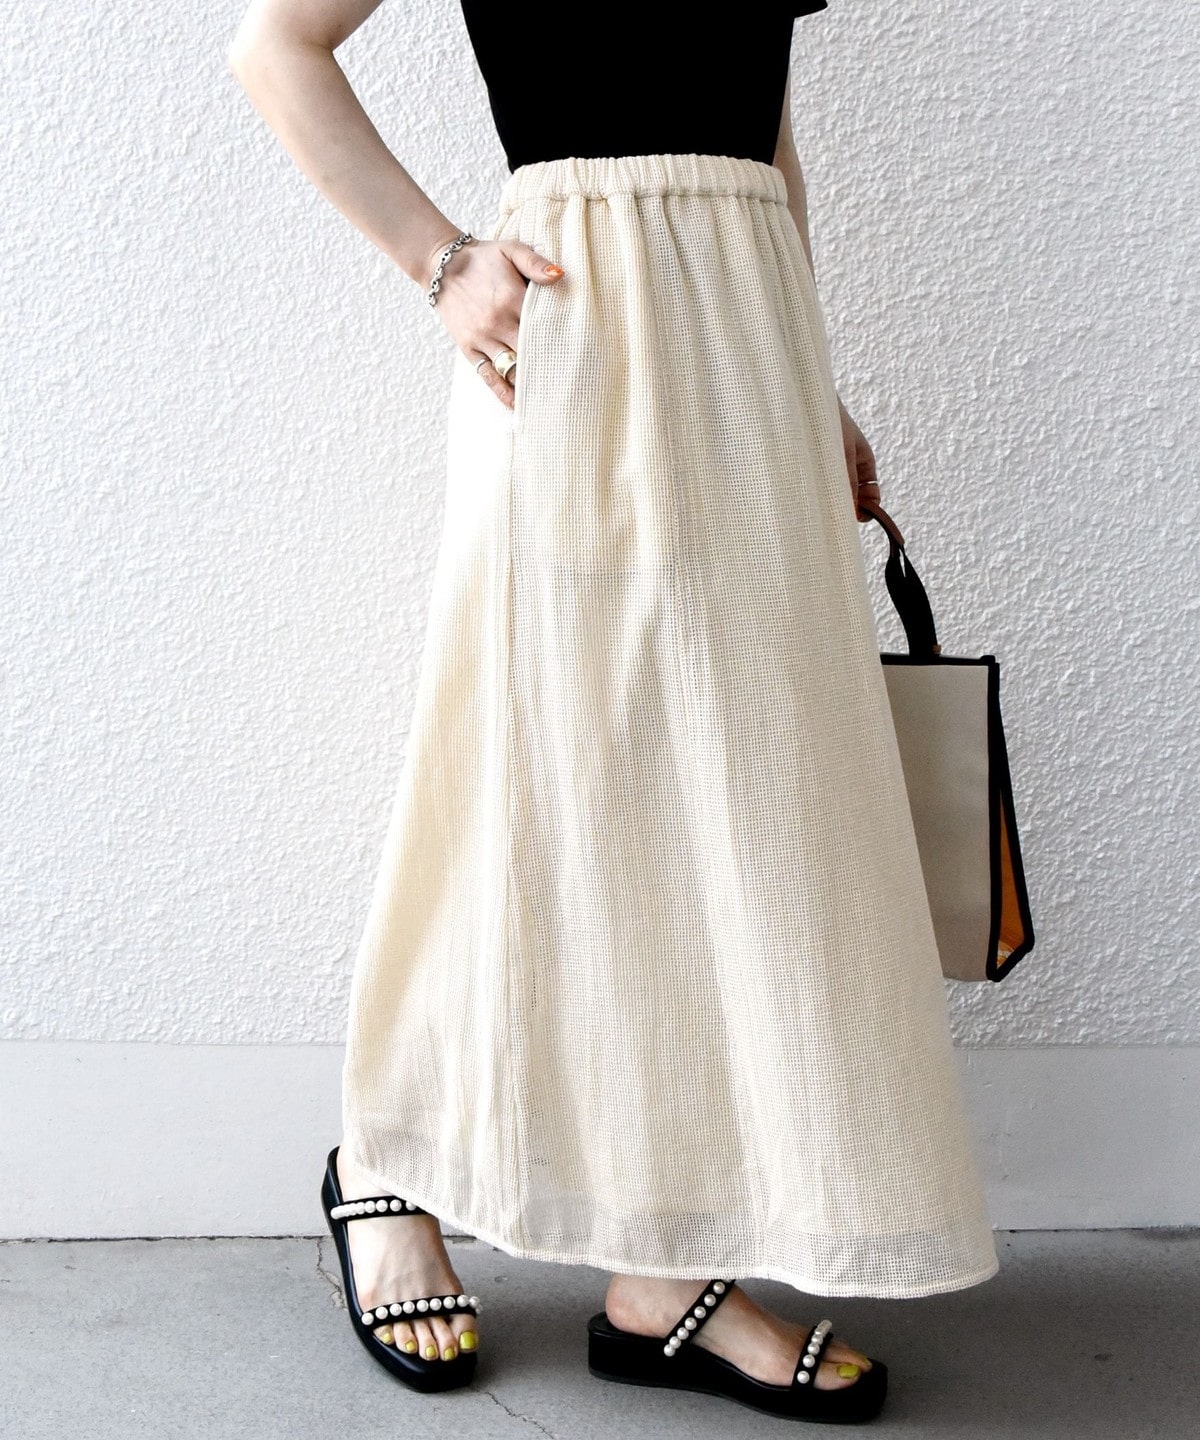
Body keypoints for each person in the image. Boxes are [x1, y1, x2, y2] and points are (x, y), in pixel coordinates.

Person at [227, 0, 1000, 1422]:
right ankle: (386, 1161)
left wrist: (811, 381)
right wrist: (442, 261)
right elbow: (277, 46)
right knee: (532, 771)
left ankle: (660, 1272)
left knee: (724, 801)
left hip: (745, 350)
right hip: (578, 336)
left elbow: (761, 128)